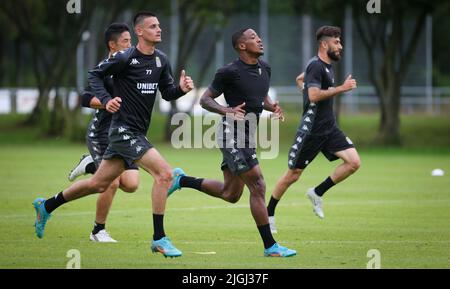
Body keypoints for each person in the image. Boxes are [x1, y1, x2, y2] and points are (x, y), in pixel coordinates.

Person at [33, 11, 194, 258]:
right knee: (164, 174)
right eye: (153, 26)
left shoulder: (161, 60)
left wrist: (181, 90)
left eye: (159, 25)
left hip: (136, 132)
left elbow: (168, 92)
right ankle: (159, 239)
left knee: (99, 184)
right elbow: (94, 76)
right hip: (121, 131)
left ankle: (47, 205)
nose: (159, 29)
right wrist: (106, 100)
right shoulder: (124, 57)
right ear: (139, 31)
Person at [167, 28, 296, 257]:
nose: (259, 39)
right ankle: (271, 246)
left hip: (248, 135)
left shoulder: (265, 68)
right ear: (242, 46)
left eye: (259, 36)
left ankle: (182, 180)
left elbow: (261, 97)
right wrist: (227, 110)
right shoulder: (228, 71)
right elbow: (205, 99)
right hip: (231, 134)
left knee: (230, 194)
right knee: (258, 185)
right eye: (253, 37)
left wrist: (272, 106)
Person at [267, 26, 361, 233]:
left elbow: (301, 80)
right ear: (324, 44)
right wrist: (341, 89)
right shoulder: (316, 66)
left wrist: (306, 89)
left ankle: (317, 192)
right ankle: (269, 213)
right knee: (293, 174)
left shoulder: (324, 66)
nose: (340, 46)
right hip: (312, 130)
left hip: (329, 128)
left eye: (340, 42)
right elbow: (314, 96)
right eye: (336, 42)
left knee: (354, 162)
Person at [68, 23, 140, 243]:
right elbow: (84, 98)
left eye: (131, 41)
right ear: (112, 45)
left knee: (131, 184)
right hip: (101, 135)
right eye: (126, 41)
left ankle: (90, 164)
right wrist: (106, 103)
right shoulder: (106, 68)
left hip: (123, 133)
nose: (130, 45)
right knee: (113, 182)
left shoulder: (130, 66)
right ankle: (98, 231)